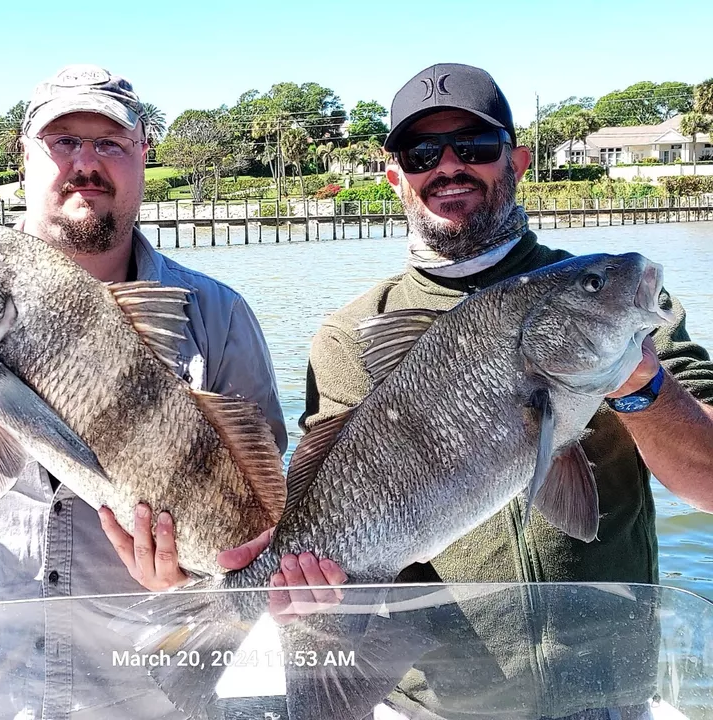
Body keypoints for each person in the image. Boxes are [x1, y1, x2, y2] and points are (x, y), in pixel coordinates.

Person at [0, 64, 340, 716]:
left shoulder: (217, 316)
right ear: (24, 156)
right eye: (62, 142)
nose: (86, 162)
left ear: (143, 154)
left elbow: (252, 531)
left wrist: (190, 580)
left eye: (109, 142)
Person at [300, 63, 713, 719]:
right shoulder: (351, 334)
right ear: (395, 177)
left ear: (517, 160)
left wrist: (641, 383)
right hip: (439, 709)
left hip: (610, 699)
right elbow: (327, 520)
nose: (449, 166)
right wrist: (306, 590)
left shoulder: (617, 303)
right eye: (422, 152)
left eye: (476, 147)